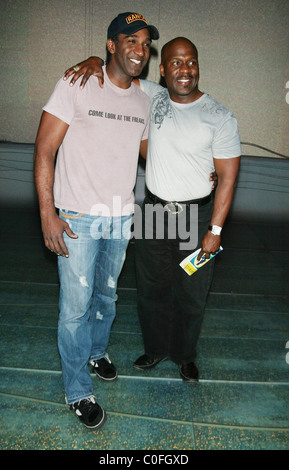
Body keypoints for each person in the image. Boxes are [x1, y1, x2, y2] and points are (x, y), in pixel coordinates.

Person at [64, 37, 240, 384]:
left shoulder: (219, 116)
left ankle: (185, 355)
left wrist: (215, 231)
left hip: (196, 214)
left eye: (191, 61)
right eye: (176, 62)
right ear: (162, 70)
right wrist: (92, 60)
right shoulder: (150, 94)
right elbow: (117, 67)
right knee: (151, 289)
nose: (184, 69)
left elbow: (229, 179)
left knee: (191, 294)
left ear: (198, 66)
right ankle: (157, 348)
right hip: (155, 212)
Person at [33, 12, 159, 429]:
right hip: (76, 218)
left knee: (107, 299)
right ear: (111, 45)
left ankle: (97, 351)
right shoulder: (76, 83)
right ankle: (78, 391)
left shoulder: (144, 98)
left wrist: (199, 172)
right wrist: (47, 213)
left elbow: (153, 155)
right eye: (130, 40)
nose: (139, 50)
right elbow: (44, 150)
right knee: (74, 310)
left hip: (119, 219)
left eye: (144, 43)